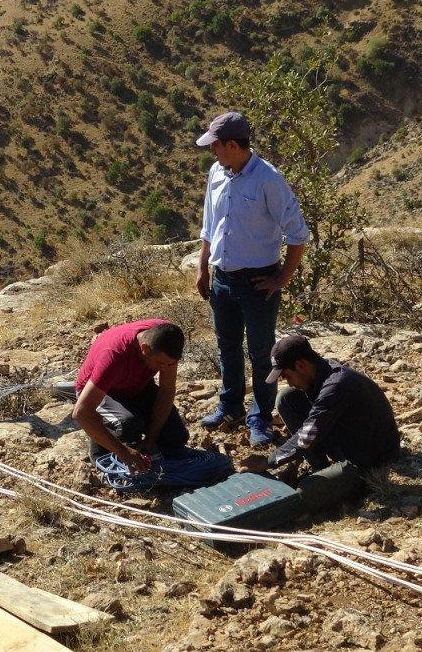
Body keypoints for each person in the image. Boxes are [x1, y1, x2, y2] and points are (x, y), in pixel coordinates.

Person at [194, 111, 312, 447]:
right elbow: (209, 226)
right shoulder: (216, 173)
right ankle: (229, 406)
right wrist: (203, 268)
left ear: (232, 145)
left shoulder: (268, 180)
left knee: (261, 352)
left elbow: (298, 234)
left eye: (215, 145)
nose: (212, 152)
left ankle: (259, 417)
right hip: (222, 279)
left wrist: (280, 279)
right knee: (227, 346)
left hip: (257, 282)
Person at [239, 334, 400, 513]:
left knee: (305, 493)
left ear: (300, 365)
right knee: (287, 398)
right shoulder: (321, 371)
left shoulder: (337, 385)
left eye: (287, 376)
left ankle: (344, 481)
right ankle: (320, 467)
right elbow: (314, 425)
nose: (288, 382)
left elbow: (307, 436)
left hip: (368, 460)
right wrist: (294, 462)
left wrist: (269, 461)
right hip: (348, 439)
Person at [71, 319, 189, 474]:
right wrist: (124, 452)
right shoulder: (114, 355)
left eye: (171, 364)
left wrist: (150, 439)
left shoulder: (166, 335)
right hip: (102, 391)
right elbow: (81, 413)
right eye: (160, 364)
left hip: (137, 385)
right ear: (145, 349)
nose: (165, 368)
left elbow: (166, 390)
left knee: (175, 436)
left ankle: (136, 442)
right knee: (128, 424)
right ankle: (100, 454)